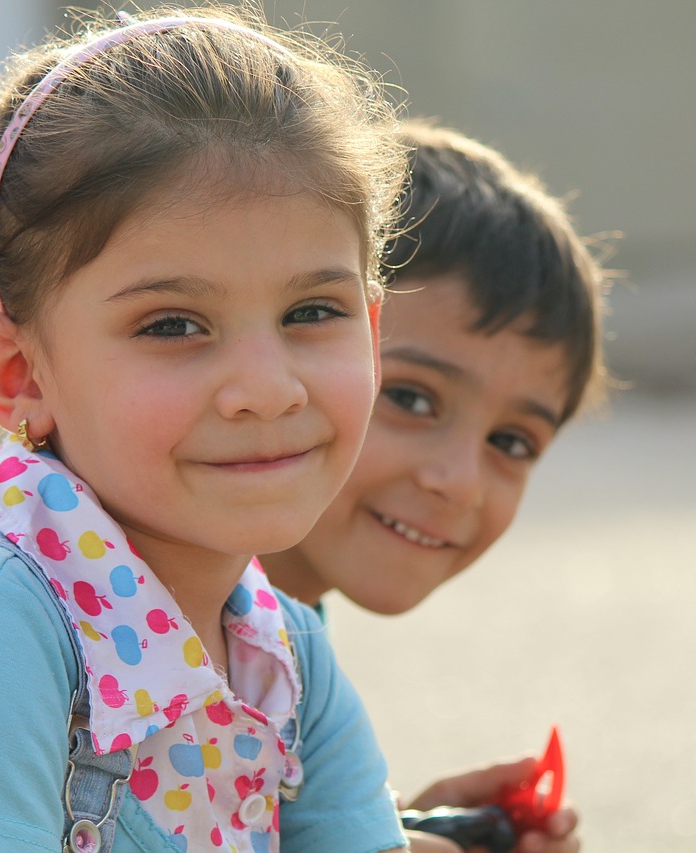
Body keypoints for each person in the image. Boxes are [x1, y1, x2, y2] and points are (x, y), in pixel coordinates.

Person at [0, 7, 410, 853]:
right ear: (19, 373)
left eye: (312, 312)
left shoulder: (283, 652)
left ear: (373, 327)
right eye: (173, 325)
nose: (267, 388)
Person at [261, 121, 607, 853]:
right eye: (413, 399)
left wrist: (382, 824)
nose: (457, 481)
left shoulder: (281, 637)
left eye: (511, 442)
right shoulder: (66, 594)